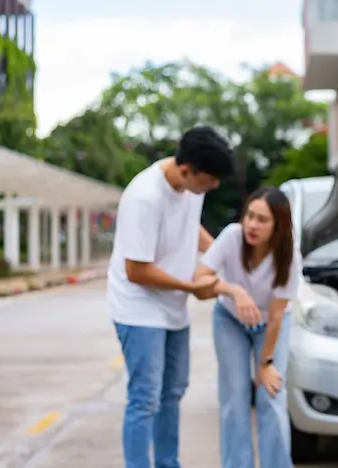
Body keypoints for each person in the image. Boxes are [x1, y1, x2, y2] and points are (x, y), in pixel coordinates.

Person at [107, 126, 235, 468]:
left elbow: (190, 226)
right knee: (145, 399)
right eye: (209, 181)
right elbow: (137, 270)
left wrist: (223, 251)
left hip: (172, 307)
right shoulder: (144, 197)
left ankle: (168, 463)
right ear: (185, 171)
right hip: (138, 307)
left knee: (173, 392)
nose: (214, 187)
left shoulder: (192, 185)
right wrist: (193, 288)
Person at [194, 187, 302, 468]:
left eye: (262, 220)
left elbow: (277, 316)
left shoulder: (289, 256)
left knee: (271, 396)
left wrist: (265, 363)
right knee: (235, 398)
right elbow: (200, 278)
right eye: (249, 216)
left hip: (271, 326)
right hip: (230, 321)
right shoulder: (231, 236)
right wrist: (233, 290)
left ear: (278, 226)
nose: (252, 225)